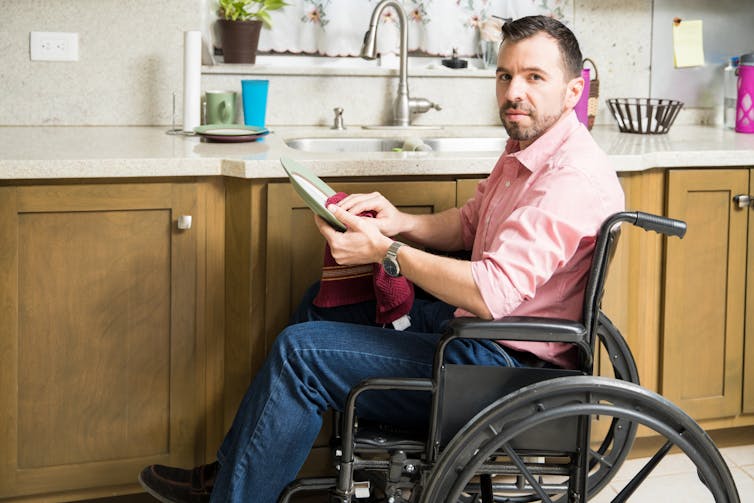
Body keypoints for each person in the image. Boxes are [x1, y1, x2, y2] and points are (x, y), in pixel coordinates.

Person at [138, 14, 624, 503]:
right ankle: (235, 475)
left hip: (501, 371)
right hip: (479, 336)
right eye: (505, 75)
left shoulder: (568, 179)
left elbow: (489, 291)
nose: (513, 91)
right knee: (322, 302)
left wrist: (385, 251)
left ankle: (231, 493)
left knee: (300, 353)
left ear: (572, 90)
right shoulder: (528, 145)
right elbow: (469, 224)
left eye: (534, 77)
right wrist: (399, 221)